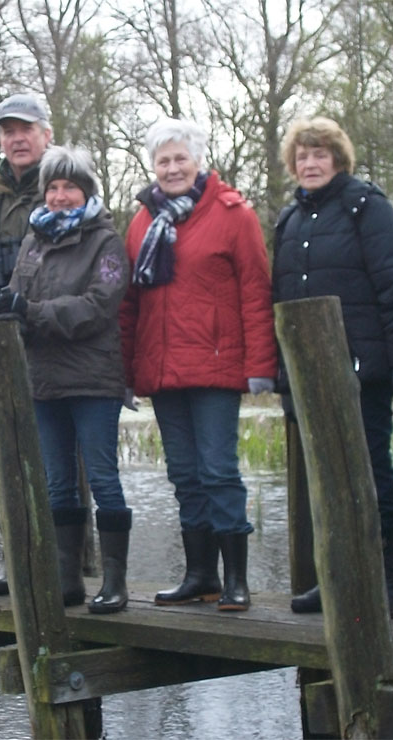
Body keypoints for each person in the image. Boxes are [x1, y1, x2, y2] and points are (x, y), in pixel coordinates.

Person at [120, 119, 278, 612]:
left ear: (198, 161)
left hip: (215, 366)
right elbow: (129, 305)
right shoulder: (143, 221)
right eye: (163, 161)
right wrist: (125, 372)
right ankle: (200, 574)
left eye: (179, 159)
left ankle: (236, 580)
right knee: (184, 474)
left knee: (218, 471)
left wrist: (260, 367)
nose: (171, 168)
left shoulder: (234, 215)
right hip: (163, 369)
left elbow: (256, 292)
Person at [273, 117, 393, 618]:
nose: (310, 164)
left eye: (320, 154)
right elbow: (280, 301)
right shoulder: (289, 220)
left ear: (339, 160)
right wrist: (282, 376)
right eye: (303, 156)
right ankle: (337, 578)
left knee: (371, 472)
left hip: (365, 370)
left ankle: (389, 582)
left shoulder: (366, 208)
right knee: (322, 480)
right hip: (309, 376)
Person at [0, 146, 132, 613]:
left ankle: (114, 582)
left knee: (103, 478)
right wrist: (8, 306)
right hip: (44, 379)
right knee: (56, 483)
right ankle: (67, 578)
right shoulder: (34, 240)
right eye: (52, 187)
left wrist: (30, 313)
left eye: (69, 186)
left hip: (93, 378)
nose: (59, 195)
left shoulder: (106, 242)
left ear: (86, 191)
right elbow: (17, 292)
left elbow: (98, 305)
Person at [0, 92, 53, 596]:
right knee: (7, 455)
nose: (17, 138)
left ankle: (65, 564)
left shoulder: (65, 185)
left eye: (25, 128)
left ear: (46, 133)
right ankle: (13, 557)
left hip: (50, 342)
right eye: (7, 130)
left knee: (56, 461)